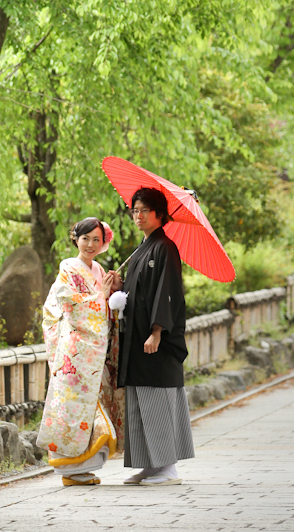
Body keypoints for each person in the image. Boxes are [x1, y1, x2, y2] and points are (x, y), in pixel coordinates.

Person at [109, 187, 195, 486]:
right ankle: (149, 465)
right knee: (140, 400)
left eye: (145, 210)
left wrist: (157, 331)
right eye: (135, 210)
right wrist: (120, 286)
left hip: (156, 341)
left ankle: (167, 467)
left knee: (158, 400)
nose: (138, 215)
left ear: (160, 214)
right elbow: (140, 293)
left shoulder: (165, 248)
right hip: (137, 339)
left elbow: (167, 293)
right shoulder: (142, 249)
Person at [36, 217, 118, 486]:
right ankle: (70, 469)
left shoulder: (98, 270)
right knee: (73, 408)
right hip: (75, 351)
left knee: (92, 406)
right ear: (76, 239)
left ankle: (82, 468)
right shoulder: (68, 268)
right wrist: (101, 297)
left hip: (93, 352)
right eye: (86, 239)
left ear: (103, 242)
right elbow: (69, 304)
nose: (91, 245)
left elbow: (105, 308)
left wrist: (113, 291)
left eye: (96, 239)